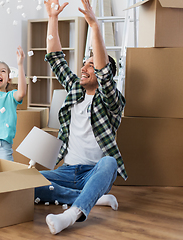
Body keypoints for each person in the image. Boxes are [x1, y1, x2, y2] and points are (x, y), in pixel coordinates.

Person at [34, 0, 127, 235]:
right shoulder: (75, 89)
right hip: (67, 170)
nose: (84, 68)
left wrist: (95, 26)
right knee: (25, 181)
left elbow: (105, 74)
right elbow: (55, 57)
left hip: (95, 171)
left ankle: (71, 214)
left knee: (110, 163)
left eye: (91, 65)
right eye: (84, 64)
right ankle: (93, 198)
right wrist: (52, 18)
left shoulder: (112, 101)